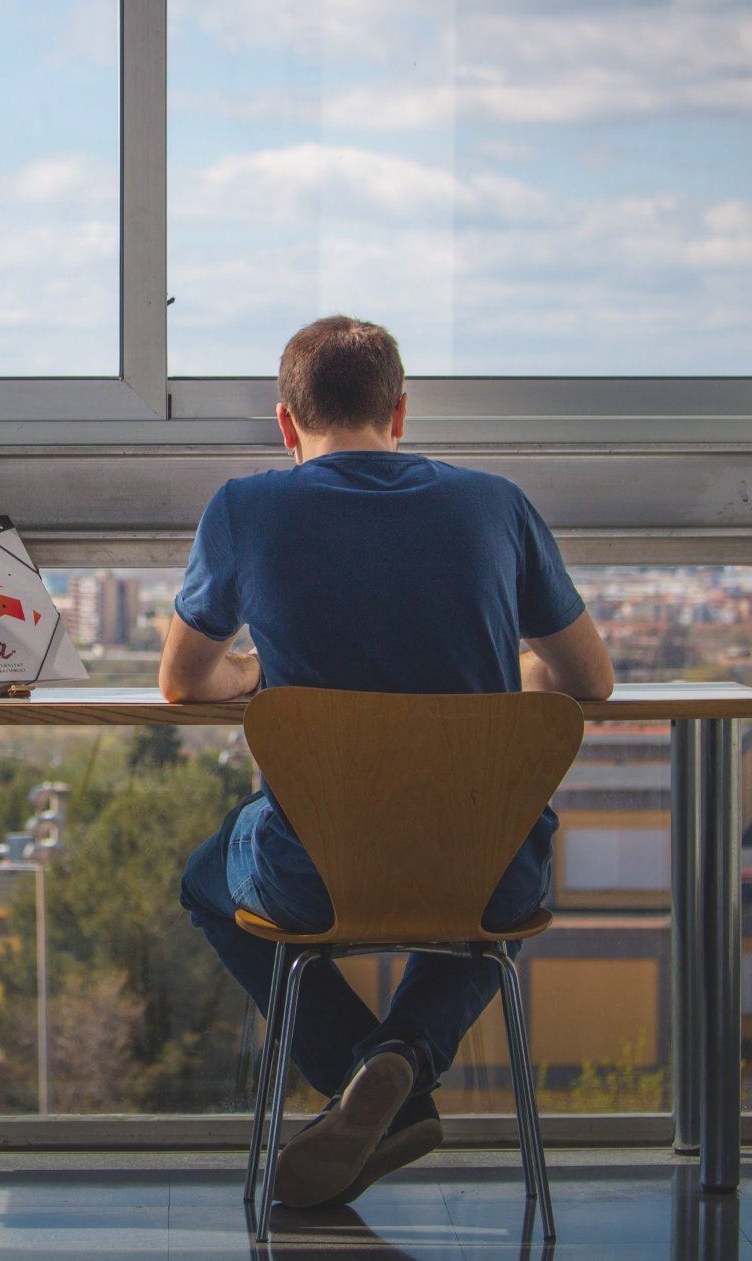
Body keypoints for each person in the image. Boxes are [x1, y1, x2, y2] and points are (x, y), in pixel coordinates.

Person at [164, 315, 614, 1210]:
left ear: (286, 424)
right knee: (489, 888)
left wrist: (261, 674)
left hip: (312, 876)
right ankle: (404, 1057)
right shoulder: (498, 504)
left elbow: (184, 682)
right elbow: (588, 680)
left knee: (203, 881)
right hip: (487, 872)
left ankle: (367, 1073)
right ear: (400, 412)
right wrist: (510, 673)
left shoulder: (245, 508)